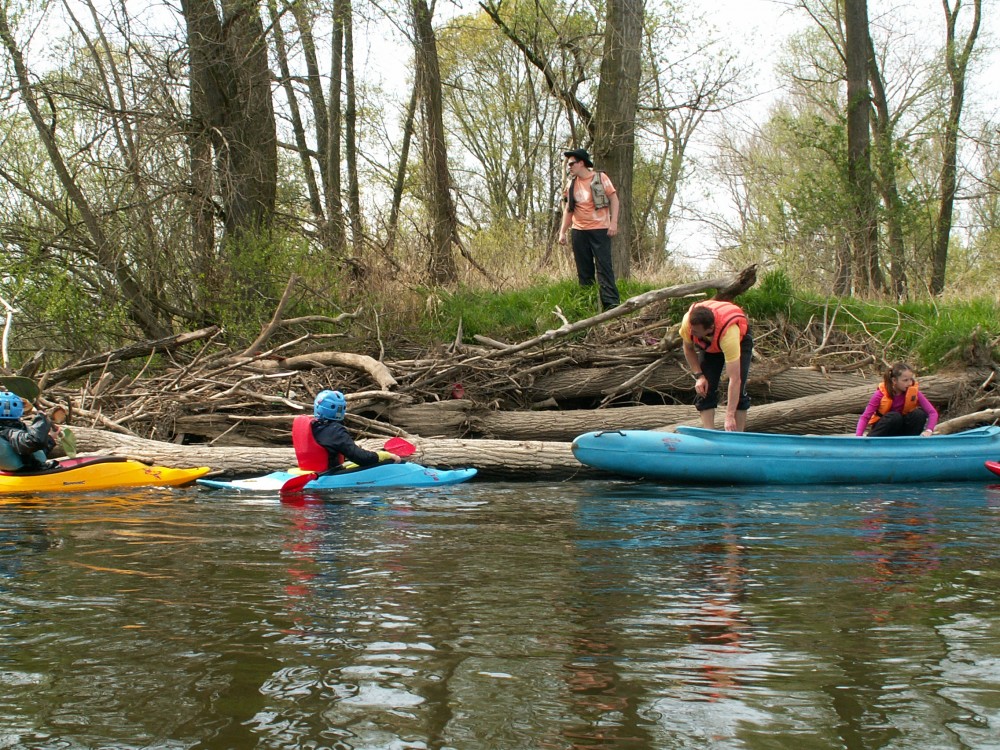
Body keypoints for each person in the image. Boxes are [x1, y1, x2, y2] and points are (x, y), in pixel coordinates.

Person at [557, 148, 621, 310]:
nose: (569, 167)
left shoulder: (600, 178)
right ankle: (587, 306)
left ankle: (611, 306)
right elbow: (568, 209)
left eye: (572, 164)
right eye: (568, 164)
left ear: (581, 163)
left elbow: (614, 199)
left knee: (604, 267)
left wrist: (613, 223)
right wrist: (562, 232)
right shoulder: (571, 184)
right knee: (584, 270)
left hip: (600, 229)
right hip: (579, 232)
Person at [680, 300, 753, 432]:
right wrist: (699, 376)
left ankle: (737, 435)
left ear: (709, 329)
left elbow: (735, 379)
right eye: (691, 329)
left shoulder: (729, 335)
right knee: (705, 389)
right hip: (709, 344)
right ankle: (710, 433)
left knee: (739, 391)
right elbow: (688, 349)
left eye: (695, 331)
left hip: (739, 341)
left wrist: (729, 416)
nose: (691, 332)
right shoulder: (688, 323)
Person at [292, 389, 400, 473]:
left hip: (309, 471)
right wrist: (384, 456)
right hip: (328, 475)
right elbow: (362, 458)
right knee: (392, 463)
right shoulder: (335, 431)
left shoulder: (312, 426)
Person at [856, 363, 938, 437]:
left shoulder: (913, 392)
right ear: (894, 380)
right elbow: (865, 417)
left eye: (911, 379)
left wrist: (929, 430)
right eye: (905, 380)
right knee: (895, 417)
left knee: (919, 414)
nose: (910, 383)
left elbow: (932, 412)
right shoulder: (880, 394)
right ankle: (873, 441)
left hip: (903, 430)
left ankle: (910, 442)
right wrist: (859, 436)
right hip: (884, 430)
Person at [0, 391, 60, 472]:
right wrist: (42, 418)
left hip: (14, 472)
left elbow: (31, 452)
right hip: (25, 473)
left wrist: (51, 439)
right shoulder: (10, 432)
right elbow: (35, 441)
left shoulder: (7, 431)